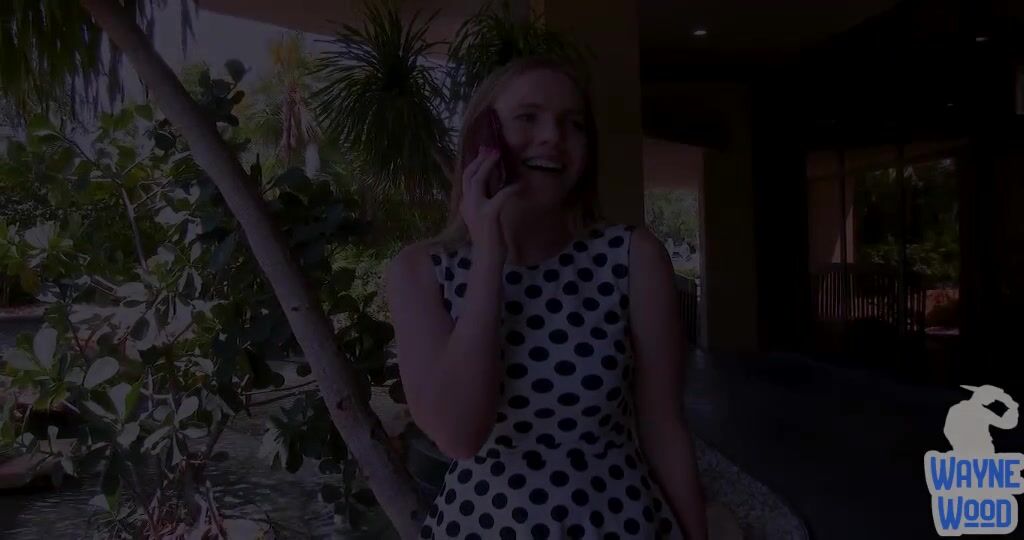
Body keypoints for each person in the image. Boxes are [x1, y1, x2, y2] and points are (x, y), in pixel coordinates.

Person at [385, 56, 707, 539]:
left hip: (618, 525)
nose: (553, 137)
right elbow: (458, 435)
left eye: (573, 124)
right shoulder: (420, 271)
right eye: (527, 118)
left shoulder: (632, 257)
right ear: (483, 139)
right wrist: (490, 256)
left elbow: (663, 427)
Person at [943, 384, 1019, 455]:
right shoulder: (981, 412)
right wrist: (1012, 409)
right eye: (992, 397)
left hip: (963, 449)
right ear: (983, 396)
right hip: (981, 448)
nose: (993, 400)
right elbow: (1006, 424)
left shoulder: (955, 408)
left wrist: (958, 444)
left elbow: (948, 429)